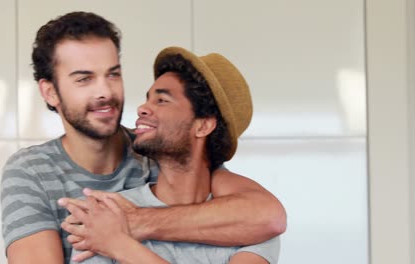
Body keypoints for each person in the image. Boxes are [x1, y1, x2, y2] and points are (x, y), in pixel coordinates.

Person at [0, 11, 286, 264]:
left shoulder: (165, 151)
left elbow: (268, 215)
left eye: (113, 75)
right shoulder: (31, 171)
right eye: (84, 79)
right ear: (50, 92)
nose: (105, 92)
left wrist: (131, 225)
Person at [60, 46, 281, 264]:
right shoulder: (104, 216)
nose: (142, 108)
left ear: (203, 126)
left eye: (162, 100)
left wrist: (121, 246)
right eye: (148, 99)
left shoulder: (249, 227)